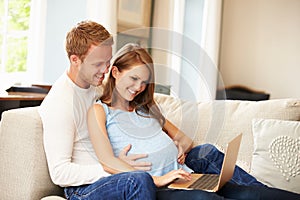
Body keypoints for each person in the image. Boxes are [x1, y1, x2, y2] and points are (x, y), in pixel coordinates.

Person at [87, 43, 300, 200]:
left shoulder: (146, 108)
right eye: (134, 79)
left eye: (144, 82)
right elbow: (106, 160)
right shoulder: (100, 110)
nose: (139, 87)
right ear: (115, 72)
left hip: (184, 178)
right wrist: (157, 179)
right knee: (206, 199)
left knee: (250, 195)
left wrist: (177, 145)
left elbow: (187, 142)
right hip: (158, 187)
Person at [38, 21, 156, 200]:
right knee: (138, 181)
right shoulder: (60, 103)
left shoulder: (97, 88)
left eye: (108, 62)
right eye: (98, 64)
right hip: (84, 189)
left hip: (115, 175)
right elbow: (60, 173)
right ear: (75, 60)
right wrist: (112, 167)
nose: (106, 70)